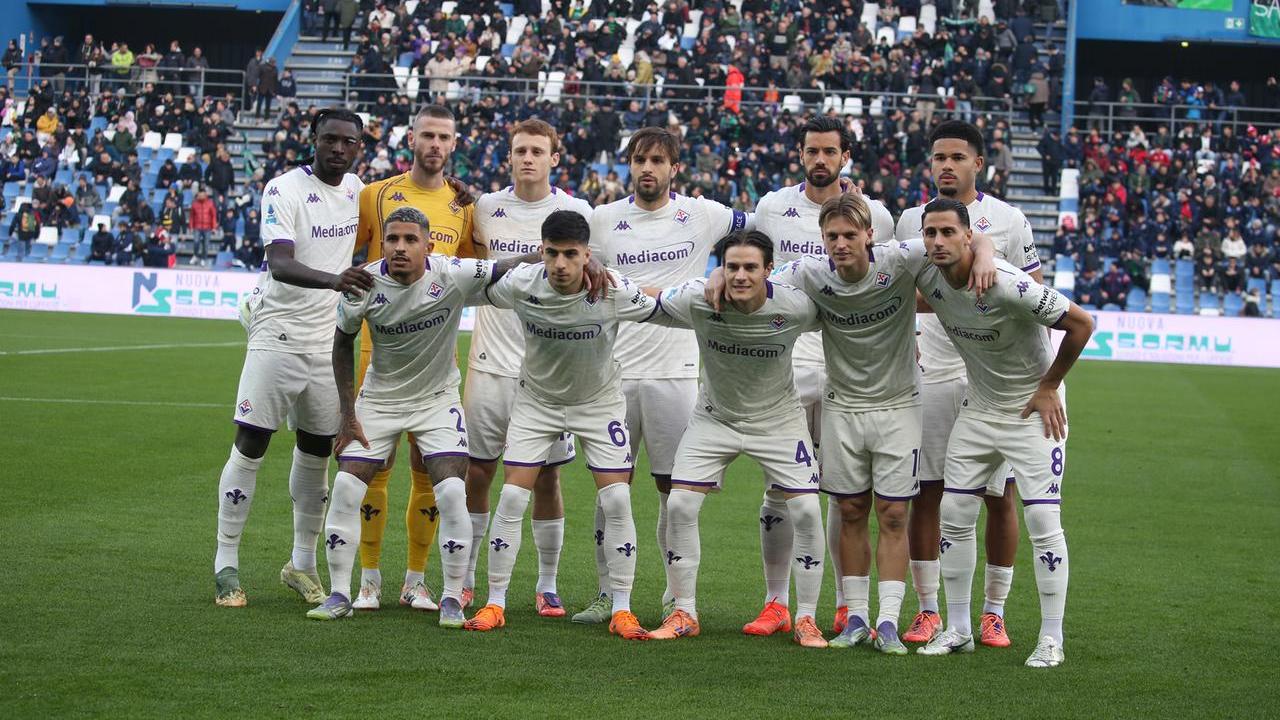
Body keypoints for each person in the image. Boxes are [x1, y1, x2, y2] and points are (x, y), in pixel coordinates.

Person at [753, 192, 996, 653]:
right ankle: (856, 617)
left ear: (870, 235)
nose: (841, 244)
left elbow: (970, 237)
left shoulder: (900, 258)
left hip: (900, 405)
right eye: (832, 236)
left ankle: (888, 620)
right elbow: (758, 278)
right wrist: (717, 281)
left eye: (849, 235)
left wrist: (983, 254)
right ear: (822, 240)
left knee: (894, 512)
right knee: (850, 511)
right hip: (842, 406)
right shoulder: (809, 272)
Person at [913, 197, 1093, 669]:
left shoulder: (1010, 285)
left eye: (948, 233)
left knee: (1043, 523)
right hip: (978, 410)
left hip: (1033, 412)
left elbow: (1081, 323)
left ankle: (1051, 638)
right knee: (953, 514)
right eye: (930, 233)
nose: (936, 241)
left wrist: (1051, 385)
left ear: (967, 236)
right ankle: (957, 629)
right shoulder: (927, 275)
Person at [580, 127, 750, 623]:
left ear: (676, 168)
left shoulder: (704, 215)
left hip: (676, 373)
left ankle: (677, 597)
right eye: (638, 159)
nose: (646, 168)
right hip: (614, 374)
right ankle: (607, 593)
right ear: (628, 165)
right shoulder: (603, 219)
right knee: (610, 490)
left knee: (675, 493)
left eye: (657, 160)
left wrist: (720, 271)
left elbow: (765, 229)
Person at [462, 210, 655, 641]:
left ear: (588, 255)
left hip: (598, 402)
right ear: (541, 251)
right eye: (552, 253)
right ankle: (495, 602)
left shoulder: (612, 289)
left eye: (572, 255)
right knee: (512, 495)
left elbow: (664, 306)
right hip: (537, 402)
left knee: (618, 499)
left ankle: (622, 608)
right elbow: (467, 285)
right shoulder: (521, 284)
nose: (561, 265)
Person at [312, 206, 509, 623]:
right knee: (347, 488)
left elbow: (505, 267)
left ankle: (452, 596)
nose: (399, 248)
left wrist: (558, 255)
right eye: (392, 239)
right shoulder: (363, 283)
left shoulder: (452, 273)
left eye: (410, 240)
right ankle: (339, 594)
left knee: (453, 492)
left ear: (429, 245)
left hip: (437, 400)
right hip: (380, 400)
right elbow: (341, 346)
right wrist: (348, 416)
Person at [895, 120, 1045, 650]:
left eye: (957, 157)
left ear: (979, 163)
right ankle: (930, 610)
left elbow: (1033, 291)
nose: (946, 166)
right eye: (938, 157)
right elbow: (905, 289)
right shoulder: (912, 220)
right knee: (928, 490)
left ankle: (994, 612)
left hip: (992, 379)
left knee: (998, 495)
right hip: (934, 369)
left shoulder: (1010, 219)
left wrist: (984, 254)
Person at [212, 108, 369, 609]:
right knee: (252, 441)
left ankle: (301, 564)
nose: (339, 149)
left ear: (359, 148)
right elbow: (279, 263)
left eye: (349, 142)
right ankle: (226, 562)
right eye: (330, 140)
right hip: (277, 332)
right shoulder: (284, 189)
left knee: (317, 452)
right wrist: (336, 280)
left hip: (328, 342)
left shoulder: (355, 190)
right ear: (313, 140)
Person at [748, 116, 895, 637]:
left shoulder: (874, 213)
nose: (820, 160)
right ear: (801, 153)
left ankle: (841, 602)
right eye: (812, 150)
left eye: (829, 152)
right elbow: (754, 269)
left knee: (842, 489)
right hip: (784, 360)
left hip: (846, 362)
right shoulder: (771, 207)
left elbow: (888, 283)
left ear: (845, 157)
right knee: (778, 484)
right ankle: (775, 601)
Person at [643, 230, 824, 647]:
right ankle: (684, 611)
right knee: (680, 503)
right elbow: (647, 299)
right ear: (719, 269)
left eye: (750, 267)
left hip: (779, 421)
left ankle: (805, 618)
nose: (741, 276)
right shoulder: (697, 299)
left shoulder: (795, 307)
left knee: (809, 513)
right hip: (715, 419)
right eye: (732, 267)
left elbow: (847, 313)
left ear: (768, 271)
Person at [348, 104, 479, 613]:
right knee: (371, 468)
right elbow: (349, 264)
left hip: (434, 358)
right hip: (373, 351)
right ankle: (368, 578)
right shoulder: (374, 196)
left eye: (444, 137)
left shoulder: (463, 204)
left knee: (430, 471)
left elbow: (469, 272)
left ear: (453, 143)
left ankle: (416, 580)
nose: (435, 144)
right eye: (428, 135)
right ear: (411, 138)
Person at [463, 119, 593, 616]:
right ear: (509, 156)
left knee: (546, 479)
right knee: (479, 470)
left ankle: (547, 583)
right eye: (520, 150)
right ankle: (469, 578)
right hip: (490, 364)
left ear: (554, 157)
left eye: (538, 150)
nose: (528, 158)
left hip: (550, 372)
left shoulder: (577, 212)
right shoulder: (486, 208)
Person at [189, 189, 217, 266]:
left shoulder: (210, 203)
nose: (201, 196)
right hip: (197, 227)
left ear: (205, 195)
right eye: (199, 195)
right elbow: (191, 216)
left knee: (206, 244)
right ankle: (195, 256)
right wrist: (191, 227)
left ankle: (204, 258)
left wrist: (214, 227)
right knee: (196, 242)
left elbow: (214, 216)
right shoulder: (194, 204)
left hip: (207, 227)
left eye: (202, 195)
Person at [1037, 127, 1064, 196]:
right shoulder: (1046, 139)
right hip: (1047, 162)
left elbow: (1062, 150)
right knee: (1046, 177)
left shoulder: (1059, 141)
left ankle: (1053, 191)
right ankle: (1046, 191)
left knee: (1054, 177)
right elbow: (1039, 147)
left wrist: (1060, 159)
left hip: (1055, 162)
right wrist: (1045, 155)